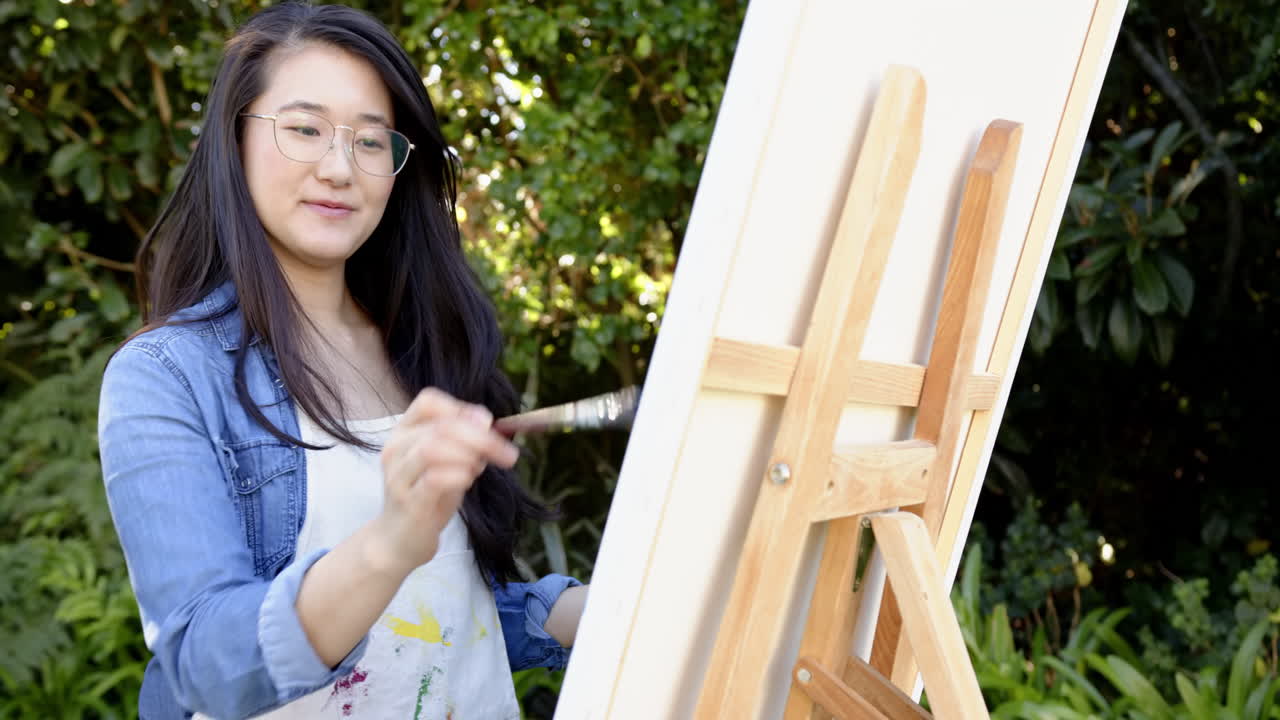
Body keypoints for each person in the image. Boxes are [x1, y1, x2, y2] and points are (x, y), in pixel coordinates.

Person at [97, 3, 588, 718]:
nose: (338, 168)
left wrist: (591, 612)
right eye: (303, 130)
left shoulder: (429, 344)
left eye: (369, 141)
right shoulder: (166, 376)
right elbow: (205, 661)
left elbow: (437, 612)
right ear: (233, 142)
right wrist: (391, 541)